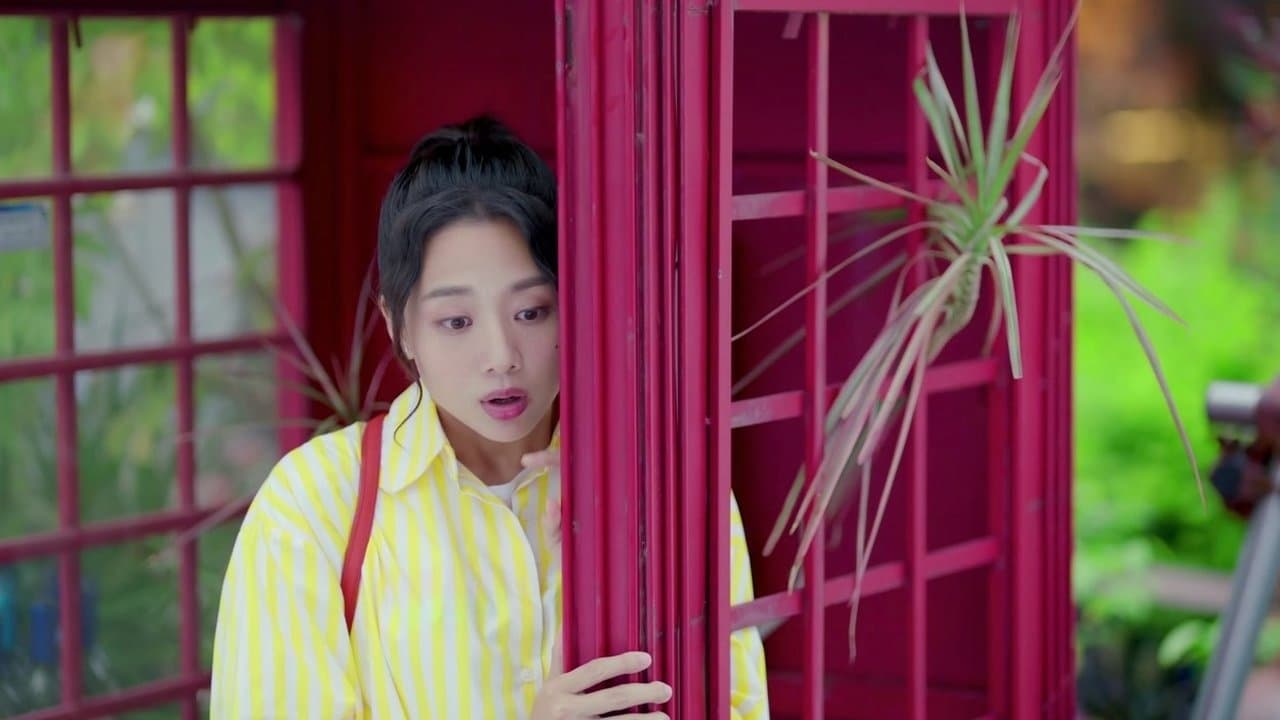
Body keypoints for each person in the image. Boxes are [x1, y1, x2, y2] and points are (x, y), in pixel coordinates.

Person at [208, 115, 769, 719]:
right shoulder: (315, 505)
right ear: (400, 328)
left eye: (531, 312)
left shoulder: (666, 490)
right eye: (457, 322)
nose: (501, 356)